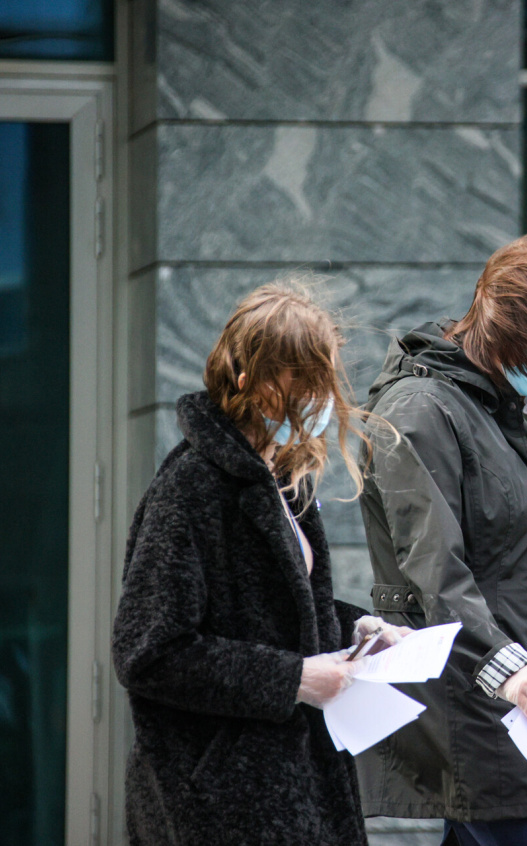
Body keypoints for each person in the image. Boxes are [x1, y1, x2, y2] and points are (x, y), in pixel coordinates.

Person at [112, 282, 409, 846]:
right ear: (253, 381)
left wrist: (355, 629)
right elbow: (148, 653)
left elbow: (276, 611)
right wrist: (294, 679)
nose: (320, 400)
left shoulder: (282, 478)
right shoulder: (191, 486)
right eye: (304, 382)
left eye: (323, 381)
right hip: (221, 801)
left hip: (295, 785)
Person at [355, 234, 527, 846]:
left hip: (503, 687)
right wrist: (511, 673)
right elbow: (434, 568)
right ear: (503, 325)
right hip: (475, 691)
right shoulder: (422, 408)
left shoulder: (495, 404)